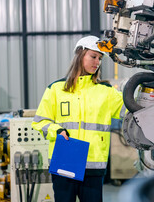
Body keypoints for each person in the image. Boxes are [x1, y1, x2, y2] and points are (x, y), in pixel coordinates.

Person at [31, 36, 125, 202]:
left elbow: (130, 107)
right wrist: (57, 130)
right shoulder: (56, 89)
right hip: (64, 161)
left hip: (93, 165)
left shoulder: (106, 92)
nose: (97, 62)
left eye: (100, 58)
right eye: (93, 56)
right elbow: (40, 122)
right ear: (80, 55)